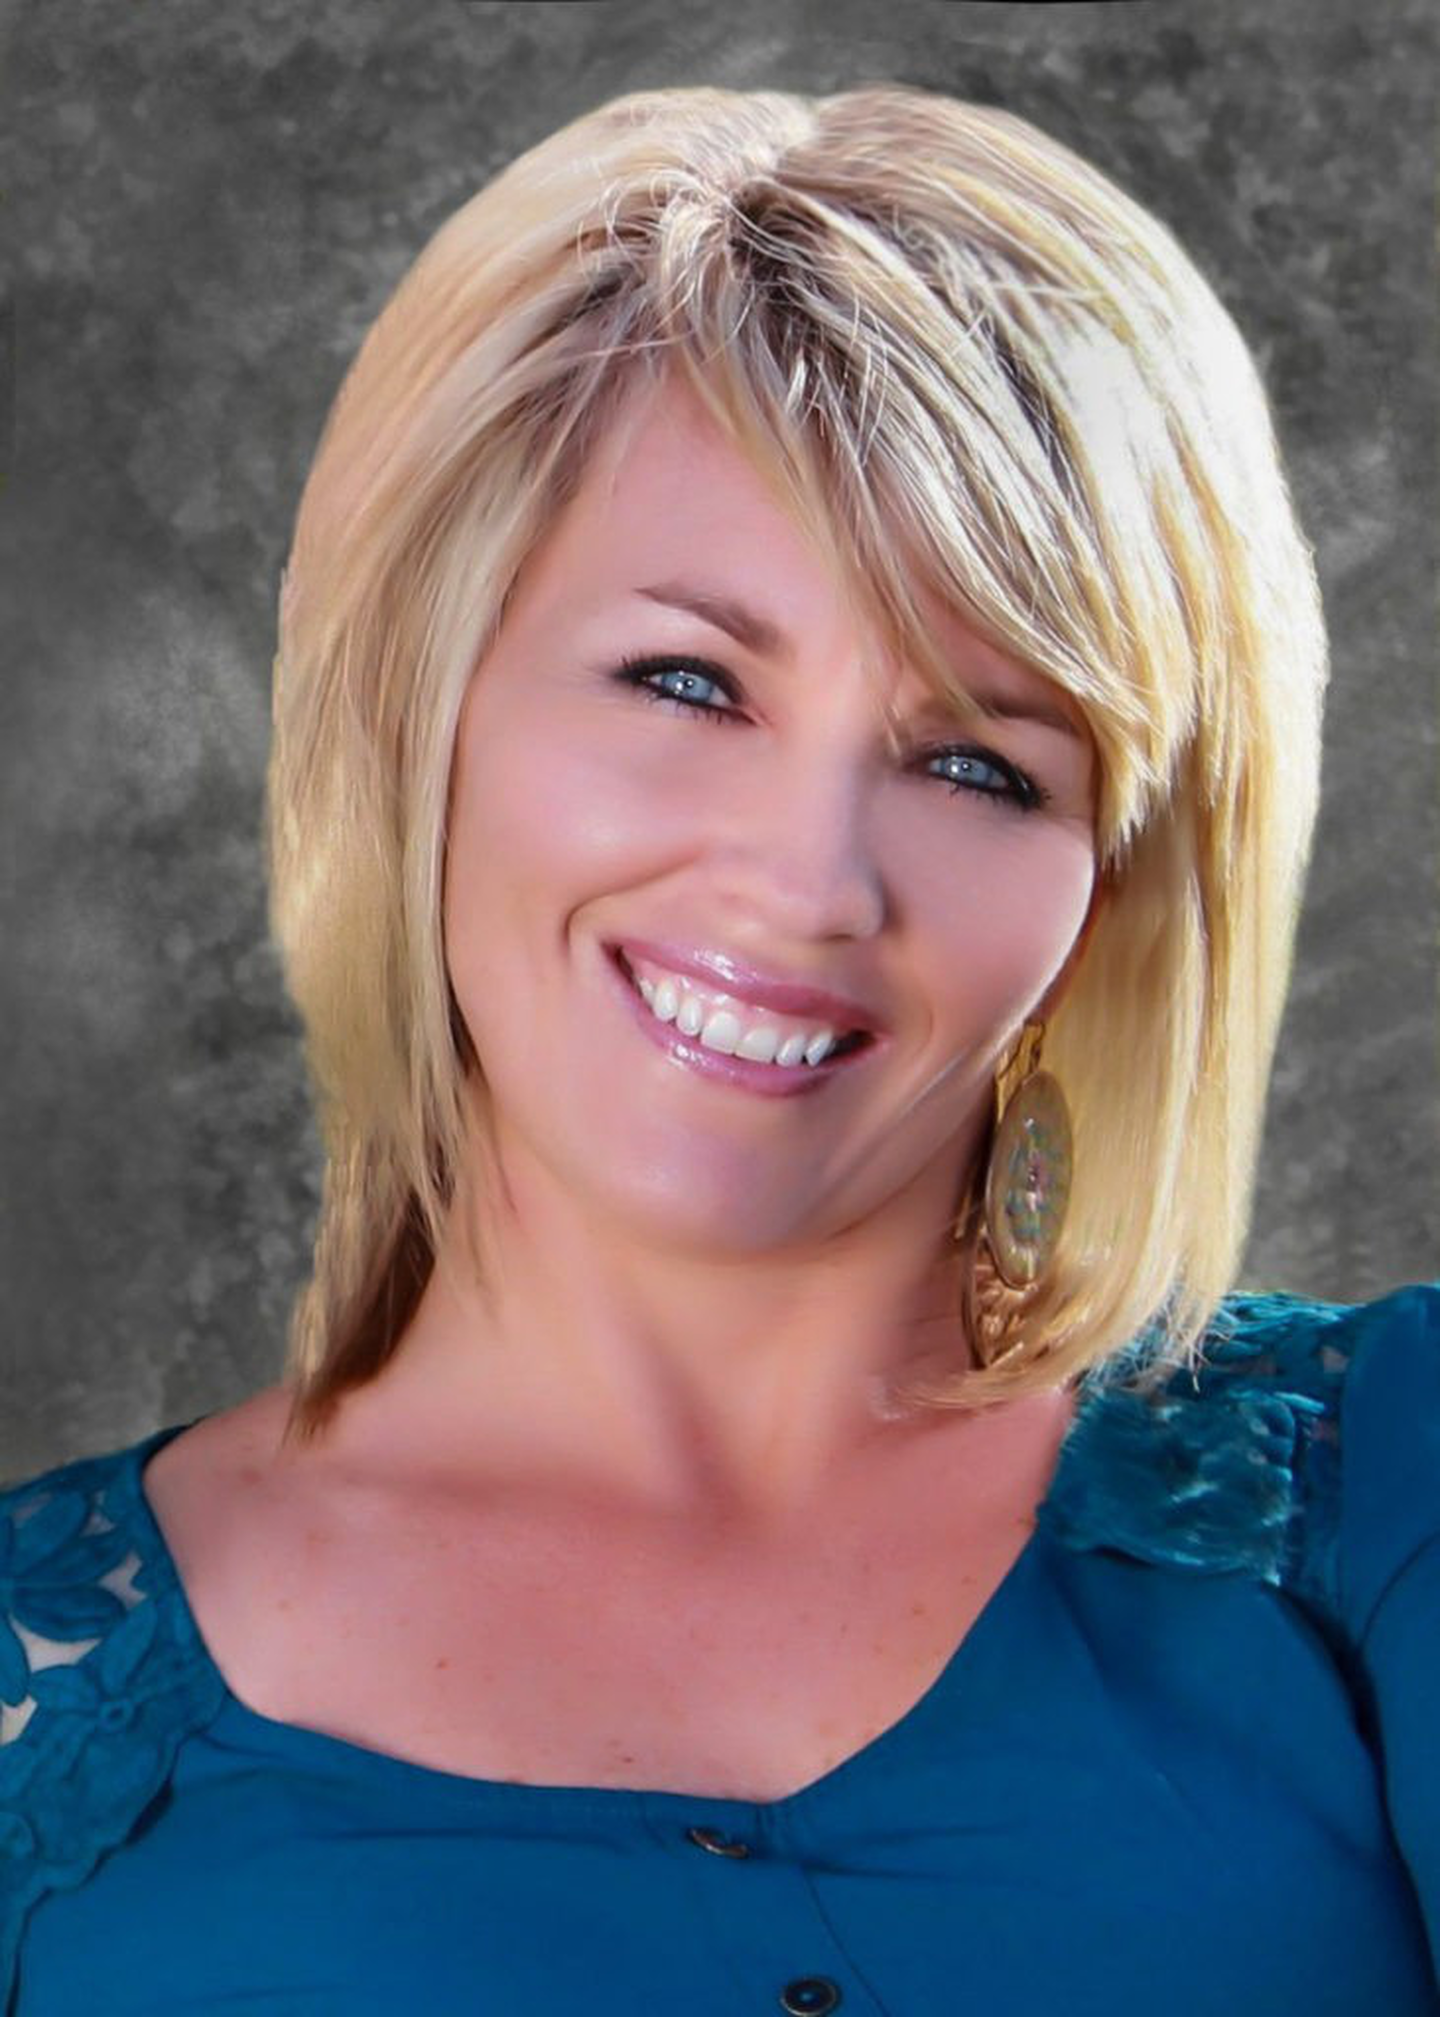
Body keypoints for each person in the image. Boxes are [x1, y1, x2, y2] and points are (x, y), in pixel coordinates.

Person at [2, 83, 1434, 2015]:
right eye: (687, 681)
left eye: (978, 766)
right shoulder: (34, 1701)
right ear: (420, 711)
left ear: (1112, 887)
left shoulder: (1389, 1482)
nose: (810, 882)